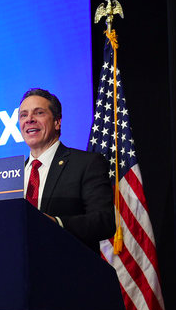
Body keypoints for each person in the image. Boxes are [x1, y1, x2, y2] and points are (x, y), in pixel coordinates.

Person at [19, 88, 115, 249]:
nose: (29, 119)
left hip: (68, 268)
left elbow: (104, 221)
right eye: (23, 115)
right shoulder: (14, 175)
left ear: (57, 122)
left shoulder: (86, 164)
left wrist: (57, 223)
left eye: (39, 113)